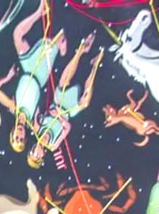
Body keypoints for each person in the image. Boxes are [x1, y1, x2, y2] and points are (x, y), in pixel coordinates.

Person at [0, 0, 67, 154]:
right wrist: (51, 144)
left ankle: (39, 11)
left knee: (17, 35)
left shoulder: (13, 107)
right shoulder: (34, 124)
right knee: (60, 38)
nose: (19, 135)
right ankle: (64, 47)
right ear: (25, 136)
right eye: (21, 139)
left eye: (15, 137)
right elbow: (51, 136)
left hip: (27, 66)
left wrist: (6, 78)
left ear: (12, 132)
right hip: (40, 74)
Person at [26, 33, 103, 169]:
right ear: (41, 157)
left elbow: (40, 108)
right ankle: (95, 65)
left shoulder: (37, 129)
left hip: (59, 101)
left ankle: (80, 51)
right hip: (68, 111)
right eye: (36, 156)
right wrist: (60, 118)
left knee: (62, 82)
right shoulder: (53, 144)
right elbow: (67, 128)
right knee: (84, 102)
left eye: (32, 152)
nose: (35, 152)